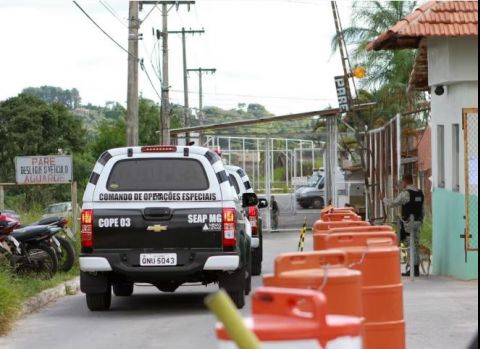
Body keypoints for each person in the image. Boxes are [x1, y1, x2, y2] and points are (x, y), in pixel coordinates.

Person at [382, 174, 425, 277]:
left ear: (405, 182)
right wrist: (421, 220)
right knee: (415, 244)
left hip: (408, 223)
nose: (402, 184)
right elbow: (422, 210)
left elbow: (393, 203)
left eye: (402, 182)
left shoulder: (406, 194)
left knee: (409, 244)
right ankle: (414, 268)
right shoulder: (420, 193)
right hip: (418, 222)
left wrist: (383, 198)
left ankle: (412, 270)